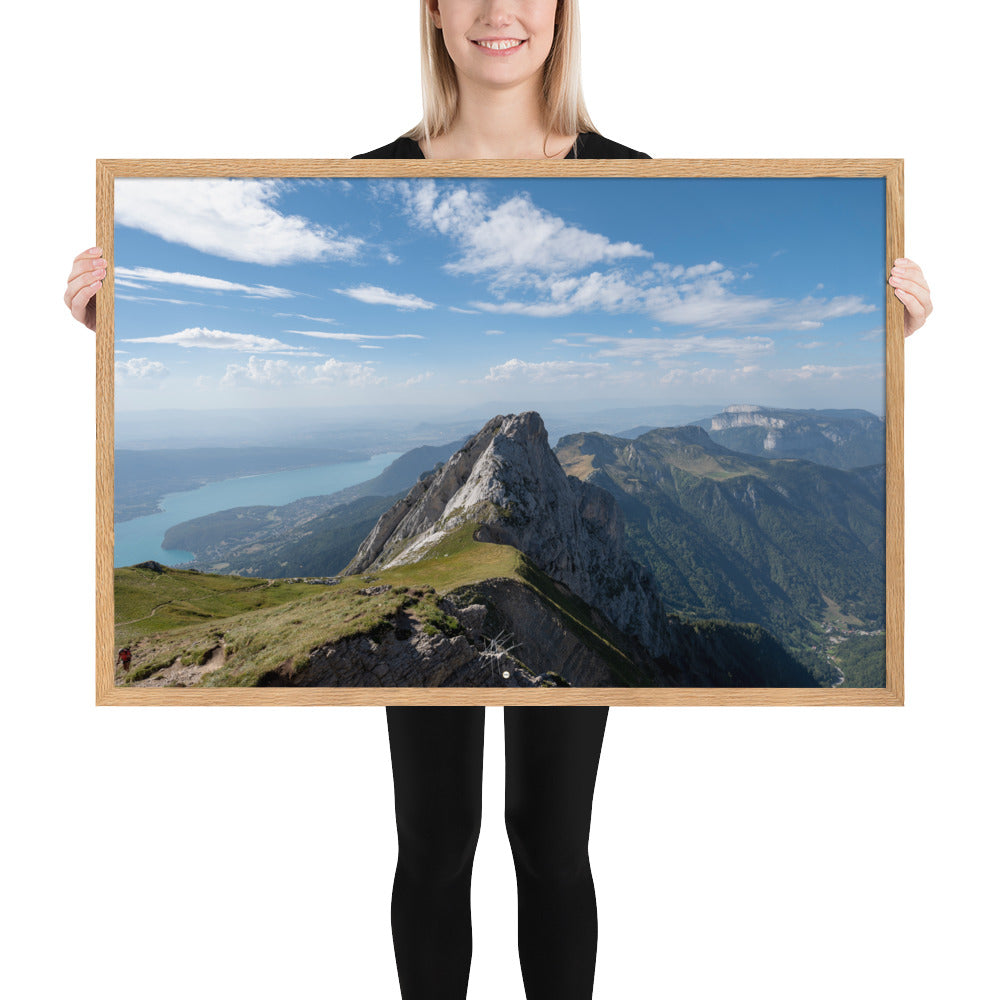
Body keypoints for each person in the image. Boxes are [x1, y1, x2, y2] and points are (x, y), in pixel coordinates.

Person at [64, 3, 933, 998]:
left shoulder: (630, 171)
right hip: (447, 629)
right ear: (430, 14)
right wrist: (113, 332)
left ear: (564, 14)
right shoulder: (372, 173)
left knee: (551, 844)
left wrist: (884, 338)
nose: (496, 12)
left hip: (563, 609)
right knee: (435, 844)